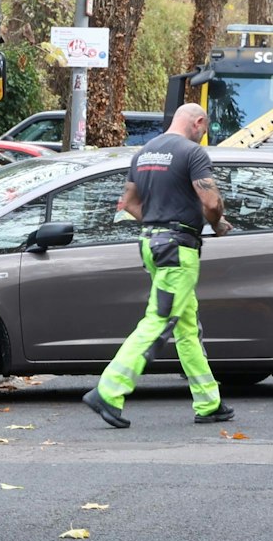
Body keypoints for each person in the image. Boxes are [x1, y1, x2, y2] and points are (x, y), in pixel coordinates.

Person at [83, 102, 234, 428]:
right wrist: (217, 219)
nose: (202, 137)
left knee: (186, 329)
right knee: (159, 321)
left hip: (152, 245)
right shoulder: (192, 153)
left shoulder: (145, 153)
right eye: (203, 131)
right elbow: (210, 201)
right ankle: (108, 391)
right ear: (197, 122)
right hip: (178, 250)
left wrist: (157, 223)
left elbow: (129, 203)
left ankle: (209, 402)